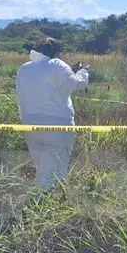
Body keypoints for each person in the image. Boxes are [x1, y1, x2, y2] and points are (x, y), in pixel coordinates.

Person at [15, 38, 90, 188]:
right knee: (56, 166)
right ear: (55, 52)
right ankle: (45, 201)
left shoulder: (24, 68)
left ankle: (43, 201)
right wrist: (83, 72)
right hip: (58, 123)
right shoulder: (56, 64)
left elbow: (19, 98)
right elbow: (75, 83)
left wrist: (24, 120)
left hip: (30, 123)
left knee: (42, 165)